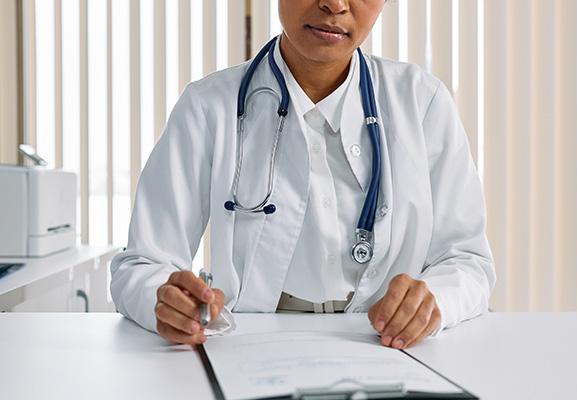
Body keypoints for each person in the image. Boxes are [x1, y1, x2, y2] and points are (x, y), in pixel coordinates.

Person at [110, 0, 495, 350]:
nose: (335, 4)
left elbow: (467, 261)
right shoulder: (208, 106)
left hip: (386, 346)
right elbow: (142, 264)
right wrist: (164, 300)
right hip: (251, 345)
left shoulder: (422, 101)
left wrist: (432, 301)